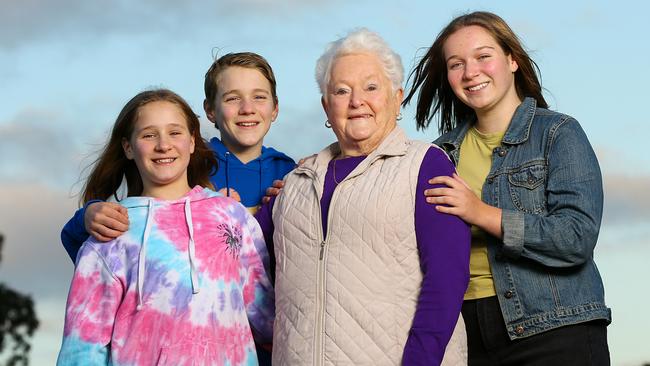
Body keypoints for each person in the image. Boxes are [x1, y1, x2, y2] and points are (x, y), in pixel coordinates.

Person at [403, 11, 611, 365]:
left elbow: (576, 237)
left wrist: (479, 213)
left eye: (483, 56)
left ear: (512, 60)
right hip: (465, 333)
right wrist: (302, 188)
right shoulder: (435, 155)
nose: (470, 72)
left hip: (554, 329)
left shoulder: (558, 134)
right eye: (456, 64)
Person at [254, 28, 470, 365]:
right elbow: (235, 257)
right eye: (341, 91)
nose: (357, 101)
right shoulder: (295, 183)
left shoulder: (424, 165)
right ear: (326, 105)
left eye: (371, 87)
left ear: (396, 97)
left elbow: (447, 279)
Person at [57, 89, 274, 365]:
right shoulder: (112, 231)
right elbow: (81, 349)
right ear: (127, 147)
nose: (163, 145)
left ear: (193, 141)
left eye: (175, 132)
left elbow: (267, 317)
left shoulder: (231, 216)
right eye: (149, 135)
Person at [60, 52, 295, 257]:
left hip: (273, 303)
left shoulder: (291, 173)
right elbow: (91, 238)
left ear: (275, 108)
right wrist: (90, 215)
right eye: (232, 98)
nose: (247, 109)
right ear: (210, 110)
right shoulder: (183, 161)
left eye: (259, 97)